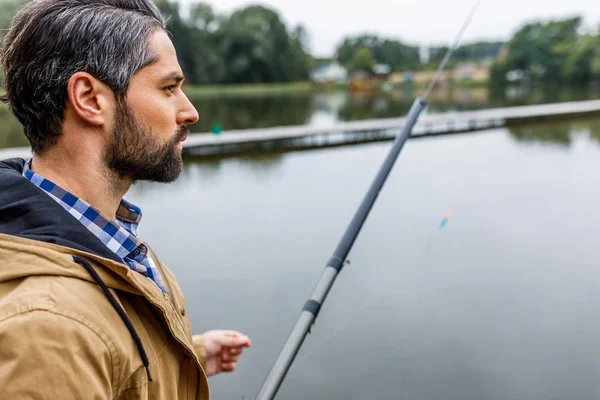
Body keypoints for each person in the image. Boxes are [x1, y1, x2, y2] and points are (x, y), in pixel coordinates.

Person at [0, 0, 251, 398]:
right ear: (90, 98)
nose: (190, 112)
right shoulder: (47, 330)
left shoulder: (104, 235)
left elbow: (100, 352)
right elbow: (67, 345)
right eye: (169, 88)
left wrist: (189, 357)